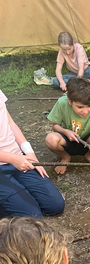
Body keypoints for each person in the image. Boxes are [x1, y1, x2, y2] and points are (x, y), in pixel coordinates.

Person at [0, 89, 64, 218]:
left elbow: (10, 123)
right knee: (33, 217)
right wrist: (12, 159)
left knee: (55, 205)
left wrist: (30, 154)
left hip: (18, 157)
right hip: (11, 160)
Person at [45, 77, 90, 174]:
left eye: (89, 106)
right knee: (50, 139)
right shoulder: (62, 103)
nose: (85, 111)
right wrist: (66, 132)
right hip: (67, 141)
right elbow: (55, 126)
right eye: (80, 107)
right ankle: (65, 157)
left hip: (86, 144)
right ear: (69, 101)